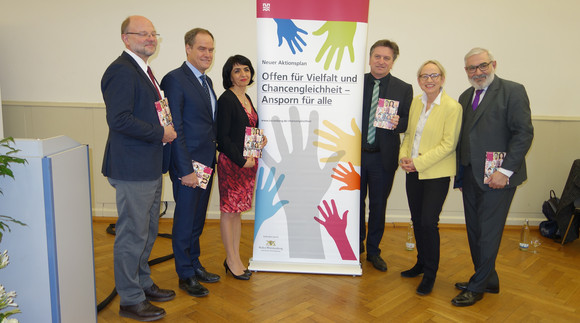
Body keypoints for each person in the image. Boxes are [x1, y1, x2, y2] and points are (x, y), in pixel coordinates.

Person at [101, 15, 177, 321]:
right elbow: (119, 120)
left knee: (148, 230)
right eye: (142, 34)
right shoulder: (121, 71)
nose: (150, 38)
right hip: (132, 166)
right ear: (125, 38)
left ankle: (143, 283)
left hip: (148, 164)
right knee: (133, 233)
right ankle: (130, 299)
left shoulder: (144, 71)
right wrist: (161, 133)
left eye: (153, 34)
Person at [452, 48, 533, 306]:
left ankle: (477, 287)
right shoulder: (465, 96)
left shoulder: (512, 91)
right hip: (471, 176)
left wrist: (504, 171)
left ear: (493, 64)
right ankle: (488, 278)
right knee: (475, 231)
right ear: (466, 71)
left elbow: (523, 134)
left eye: (482, 66)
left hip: (498, 177)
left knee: (488, 233)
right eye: (471, 68)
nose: (477, 72)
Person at [160, 28, 220, 298]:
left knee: (197, 218)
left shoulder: (206, 82)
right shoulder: (175, 80)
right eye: (201, 49)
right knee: (185, 220)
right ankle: (184, 274)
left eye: (210, 49)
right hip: (188, 167)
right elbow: (176, 128)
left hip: (205, 164)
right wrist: (184, 170)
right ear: (187, 48)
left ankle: (194, 264)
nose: (207, 54)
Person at [399, 60, 462, 295]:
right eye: (424, 76)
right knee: (417, 219)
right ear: (419, 80)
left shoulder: (452, 107)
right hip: (413, 171)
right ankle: (421, 263)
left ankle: (431, 274)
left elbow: (448, 144)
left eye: (434, 76)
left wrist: (418, 163)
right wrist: (404, 157)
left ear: (442, 79)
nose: (429, 80)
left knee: (428, 222)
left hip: (436, 174)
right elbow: (409, 135)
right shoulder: (416, 102)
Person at [360, 39, 413, 271]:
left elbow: (408, 122)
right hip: (356, 156)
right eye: (377, 56)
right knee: (355, 204)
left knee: (378, 206)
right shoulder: (355, 83)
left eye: (386, 58)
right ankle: (355, 247)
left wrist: (396, 122)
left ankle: (373, 251)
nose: (381, 61)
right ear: (370, 58)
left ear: (393, 62)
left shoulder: (404, 88)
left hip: (383, 158)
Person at [216, 55, 267, 280]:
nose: (243, 74)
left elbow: (246, 129)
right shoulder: (226, 99)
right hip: (232, 164)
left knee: (237, 213)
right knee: (229, 212)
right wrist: (241, 160)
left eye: (246, 69)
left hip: (249, 162)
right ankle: (231, 259)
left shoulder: (246, 97)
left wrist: (260, 140)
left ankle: (235, 257)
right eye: (237, 71)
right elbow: (222, 138)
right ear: (229, 75)